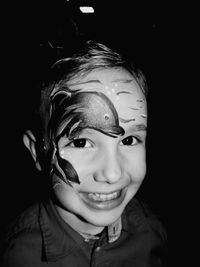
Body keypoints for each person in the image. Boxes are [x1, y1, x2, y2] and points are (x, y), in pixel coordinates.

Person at [0, 40, 168, 266]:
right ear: (37, 152)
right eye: (80, 143)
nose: (112, 173)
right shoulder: (17, 256)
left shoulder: (154, 233)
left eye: (128, 140)